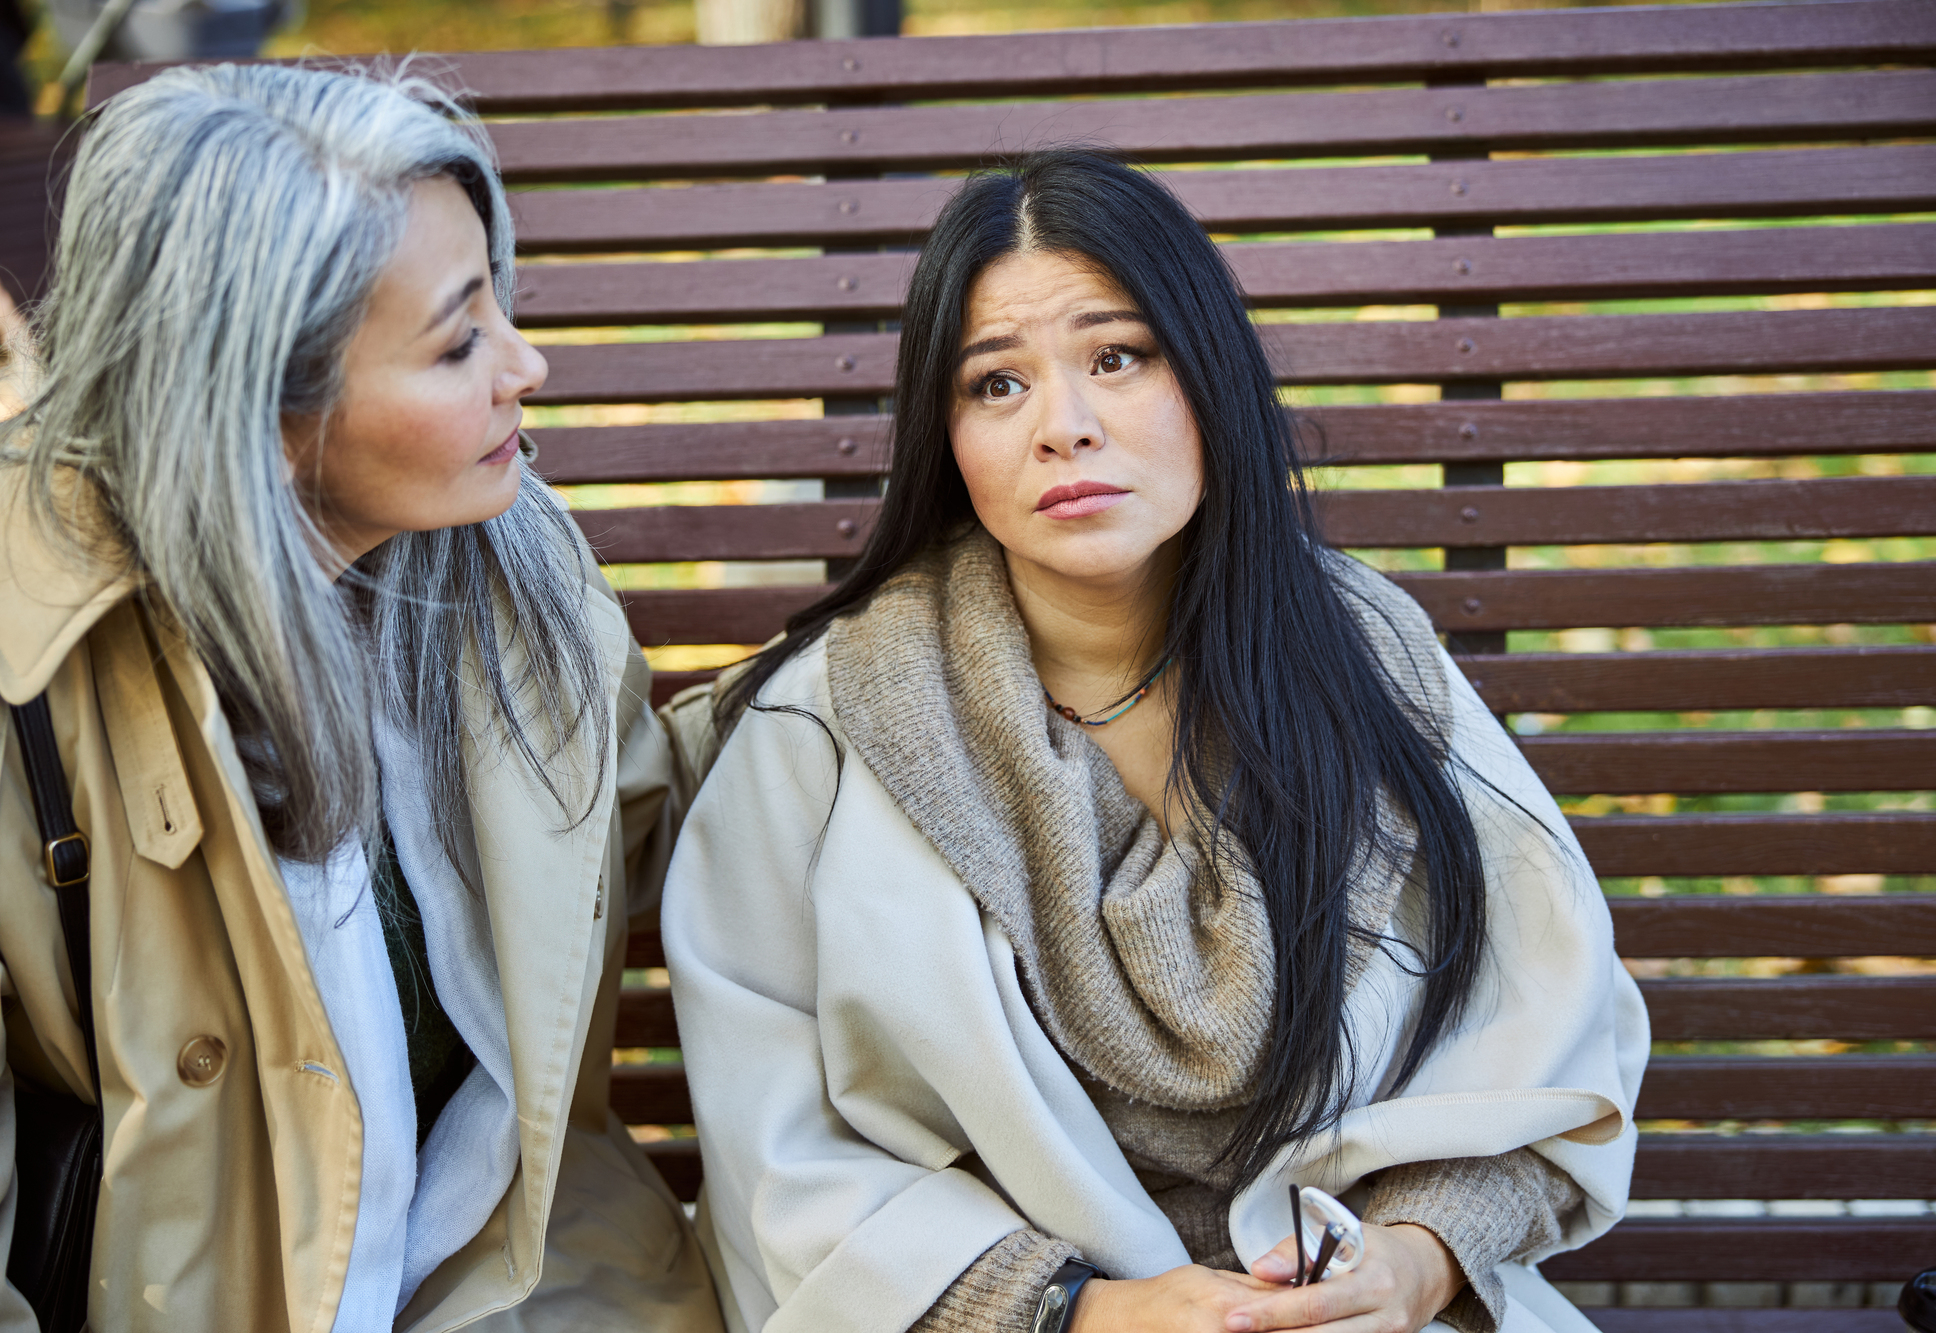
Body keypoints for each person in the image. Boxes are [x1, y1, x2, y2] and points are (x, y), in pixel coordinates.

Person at [660, 149, 1648, 1333]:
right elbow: (778, 1152)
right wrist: (1080, 1314)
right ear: (947, 433)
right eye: (994, 384)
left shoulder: (1369, 662)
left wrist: (1411, 1263)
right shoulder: (826, 721)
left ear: (1208, 375)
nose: (1061, 428)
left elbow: (1548, 1031)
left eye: (1115, 357)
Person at [0, 64, 722, 1331]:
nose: (528, 364)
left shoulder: (513, 566)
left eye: (498, 299)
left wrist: (884, 676)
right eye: (458, 343)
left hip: (521, 1275)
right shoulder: (35, 666)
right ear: (261, 418)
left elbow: (644, 821)